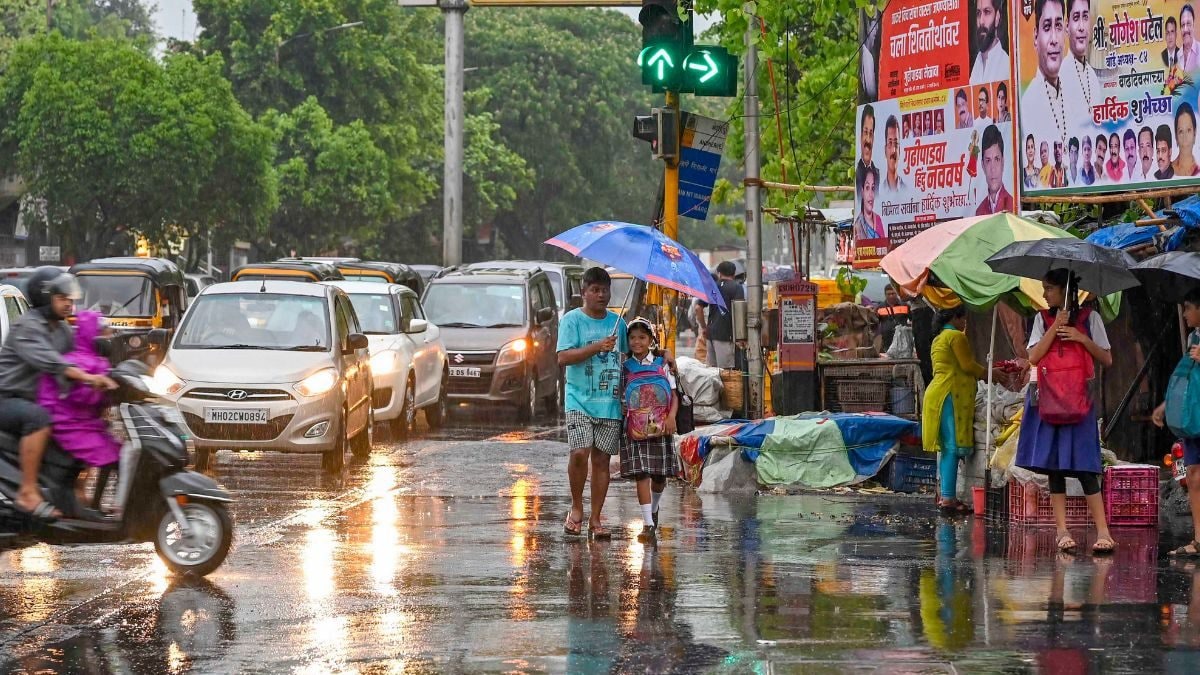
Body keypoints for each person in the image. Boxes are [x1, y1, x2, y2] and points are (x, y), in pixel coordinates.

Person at [0, 268, 115, 521]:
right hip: (7, 400)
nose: (68, 303)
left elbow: (80, 351)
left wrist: (106, 346)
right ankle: (28, 492)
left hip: (31, 399)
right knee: (39, 418)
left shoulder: (61, 329)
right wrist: (89, 377)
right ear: (45, 297)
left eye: (70, 298)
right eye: (62, 297)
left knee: (86, 425)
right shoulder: (27, 326)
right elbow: (54, 363)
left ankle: (73, 493)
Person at [1015, 269, 1115, 554]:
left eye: (1049, 289)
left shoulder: (1090, 319)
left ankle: (1104, 532)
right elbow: (1033, 357)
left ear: (1065, 291)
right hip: (1047, 401)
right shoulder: (1040, 319)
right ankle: (1062, 531)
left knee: (1086, 467)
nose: (1044, 294)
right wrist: (1053, 327)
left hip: (1079, 402)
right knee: (1054, 468)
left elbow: (1107, 359)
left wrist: (1079, 337)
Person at [557, 267, 629, 540]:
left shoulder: (618, 324)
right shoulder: (571, 321)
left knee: (602, 461)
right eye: (595, 290)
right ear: (583, 293)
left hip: (609, 402)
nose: (601, 295)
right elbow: (563, 357)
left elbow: (625, 359)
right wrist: (597, 346)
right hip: (578, 400)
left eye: (605, 290)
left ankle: (596, 518)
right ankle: (577, 507)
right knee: (579, 452)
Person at [36, 311, 121, 495]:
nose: (109, 335)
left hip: (86, 422)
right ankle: (92, 504)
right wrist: (99, 388)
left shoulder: (98, 361)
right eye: (104, 330)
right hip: (67, 422)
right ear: (92, 332)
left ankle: (96, 503)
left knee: (116, 452)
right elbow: (79, 396)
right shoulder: (76, 362)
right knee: (109, 456)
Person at [922, 305, 992, 514]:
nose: (965, 324)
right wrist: (991, 373)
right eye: (964, 319)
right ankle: (949, 499)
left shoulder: (939, 337)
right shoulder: (956, 336)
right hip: (949, 394)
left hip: (937, 393)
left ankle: (947, 496)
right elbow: (968, 365)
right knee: (951, 448)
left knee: (946, 449)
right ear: (956, 318)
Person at [619, 318, 678, 544]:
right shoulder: (624, 368)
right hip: (635, 429)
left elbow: (673, 396)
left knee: (659, 477)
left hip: (661, 426)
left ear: (651, 340)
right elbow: (620, 396)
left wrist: (672, 417)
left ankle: (653, 509)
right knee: (641, 474)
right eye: (632, 338)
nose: (637, 342)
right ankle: (648, 524)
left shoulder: (664, 365)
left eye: (642, 337)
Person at [1154, 289, 1200, 557]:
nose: (1184, 314)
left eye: (1188, 308)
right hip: (1193, 416)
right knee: (1193, 475)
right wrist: (1165, 405)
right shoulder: (1194, 338)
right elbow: (1183, 375)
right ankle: (1198, 538)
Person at [1022, 0, 1082, 149]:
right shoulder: (1028, 105)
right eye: (1047, 27)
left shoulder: (1074, 93)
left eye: (1059, 26)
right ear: (1036, 36)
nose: (1054, 39)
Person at [698, 261, 744, 369]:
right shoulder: (736, 287)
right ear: (733, 274)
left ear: (719, 273)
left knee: (712, 372)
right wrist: (741, 336)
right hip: (726, 335)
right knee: (726, 372)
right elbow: (739, 311)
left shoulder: (712, 287)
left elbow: (697, 308)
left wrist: (704, 327)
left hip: (711, 335)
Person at [1063, 0, 1101, 111]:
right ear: (1067, 26)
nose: (1081, 27)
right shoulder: (1061, 75)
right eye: (1076, 18)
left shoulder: (1092, 76)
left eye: (1085, 17)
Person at [976, 125, 1014, 215]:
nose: (993, 169)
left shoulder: (1012, 205)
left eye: (997, 159)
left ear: (1003, 162)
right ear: (983, 165)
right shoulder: (979, 212)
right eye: (988, 161)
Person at [971, 0, 1010, 84]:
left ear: (997, 17)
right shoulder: (977, 63)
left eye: (987, 12)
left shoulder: (1006, 66)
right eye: (978, 13)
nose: (981, 21)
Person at [853, 165, 885, 240]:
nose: (871, 194)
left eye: (873, 188)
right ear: (862, 191)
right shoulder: (858, 226)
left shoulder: (878, 219)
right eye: (867, 188)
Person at [877, 285, 910, 352]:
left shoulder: (905, 305)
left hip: (902, 339)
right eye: (888, 294)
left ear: (896, 293)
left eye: (893, 293)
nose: (891, 296)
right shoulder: (880, 307)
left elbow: (913, 320)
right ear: (885, 295)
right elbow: (874, 323)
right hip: (887, 340)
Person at [1173, 102, 1200, 176]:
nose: (1185, 138)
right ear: (1176, 137)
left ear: (1194, 133)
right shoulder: (1167, 171)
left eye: (1189, 130)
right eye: (1181, 131)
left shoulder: (1198, 171)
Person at [882, 115, 906, 194]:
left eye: (896, 143)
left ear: (900, 150)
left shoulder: (907, 191)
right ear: (885, 151)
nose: (893, 150)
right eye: (890, 143)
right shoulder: (879, 192)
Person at [858, 104, 877, 181]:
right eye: (865, 132)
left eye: (871, 134)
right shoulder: (857, 172)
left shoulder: (877, 174)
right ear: (861, 136)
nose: (868, 140)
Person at [1182, 5, 1200, 71]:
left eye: (1188, 24)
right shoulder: (1177, 55)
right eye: (1183, 25)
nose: (1185, 29)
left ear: (1194, 25)